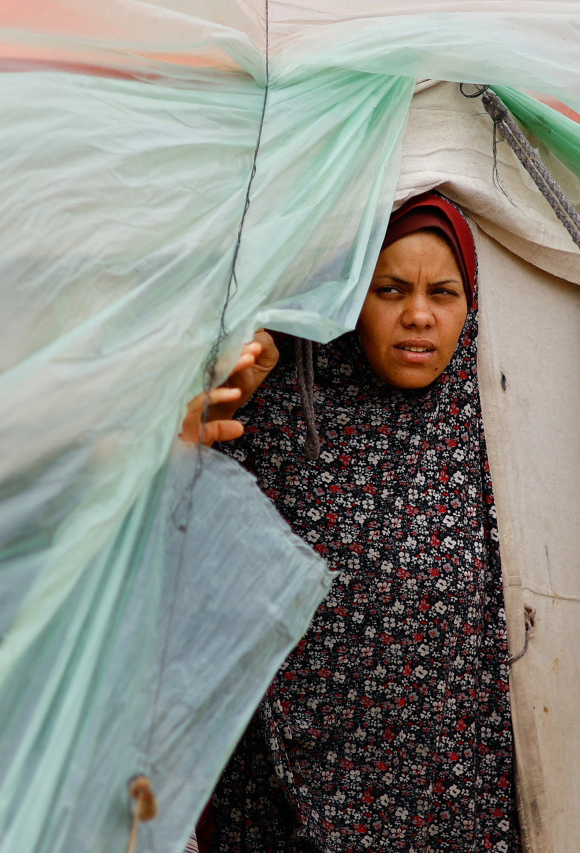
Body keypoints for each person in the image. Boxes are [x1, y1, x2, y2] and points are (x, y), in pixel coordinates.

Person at [182, 192, 520, 852]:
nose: (418, 315)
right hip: (292, 783)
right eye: (389, 289)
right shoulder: (278, 404)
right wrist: (200, 421)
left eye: (443, 293)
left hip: (457, 786)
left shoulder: (498, 409)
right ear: (348, 297)